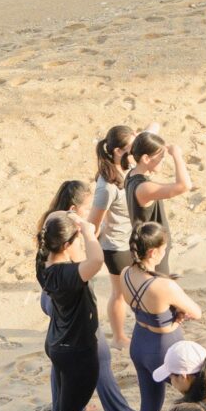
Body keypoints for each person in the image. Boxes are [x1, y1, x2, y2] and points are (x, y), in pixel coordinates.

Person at [36, 182, 137, 411]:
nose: (91, 212)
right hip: (66, 300)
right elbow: (90, 263)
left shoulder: (49, 233)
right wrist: (88, 234)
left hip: (53, 300)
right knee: (100, 355)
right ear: (73, 210)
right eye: (87, 208)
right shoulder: (68, 243)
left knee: (61, 359)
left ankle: (67, 406)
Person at [120, 222, 202, 411]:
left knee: (148, 408)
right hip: (163, 348)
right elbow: (197, 312)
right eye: (164, 248)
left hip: (139, 344)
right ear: (152, 252)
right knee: (199, 399)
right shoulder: (163, 285)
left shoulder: (126, 274)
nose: (165, 252)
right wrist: (175, 318)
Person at [91, 124, 137, 351]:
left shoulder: (128, 166)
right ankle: (118, 337)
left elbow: (152, 130)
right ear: (118, 151)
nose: (137, 151)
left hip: (131, 239)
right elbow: (93, 224)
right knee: (120, 293)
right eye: (132, 147)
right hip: (116, 246)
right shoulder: (106, 187)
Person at [124, 131, 192, 274]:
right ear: (146, 158)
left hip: (147, 245)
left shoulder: (131, 174)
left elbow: (153, 127)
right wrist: (177, 155)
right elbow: (184, 185)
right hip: (153, 249)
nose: (163, 160)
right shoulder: (144, 188)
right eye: (161, 157)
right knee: (158, 284)